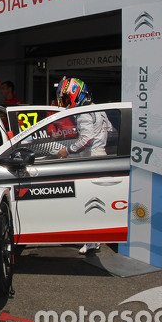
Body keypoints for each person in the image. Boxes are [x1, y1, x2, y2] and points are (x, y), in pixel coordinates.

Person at [54, 76, 112, 254]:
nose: (63, 103)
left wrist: (68, 150)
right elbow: (109, 129)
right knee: (97, 200)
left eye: (65, 99)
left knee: (91, 201)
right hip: (101, 155)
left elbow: (86, 138)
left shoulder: (83, 112)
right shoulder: (99, 109)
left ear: (75, 94)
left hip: (92, 158)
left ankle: (92, 241)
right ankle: (94, 239)